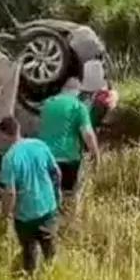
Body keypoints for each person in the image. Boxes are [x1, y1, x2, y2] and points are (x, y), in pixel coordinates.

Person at [0, 116, 61, 274]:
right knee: (49, 248)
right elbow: (56, 172)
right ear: (19, 128)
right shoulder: (40, 145)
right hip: (47, 206)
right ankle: (50, 277)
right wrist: (56, 193)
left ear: (4, 135)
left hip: (25, 215)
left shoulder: (9, 158)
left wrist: (5, 215)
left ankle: (31, 278)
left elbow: (10, 193)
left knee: (29, 250)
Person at [38, 76, 100, 218]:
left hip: (46, 157)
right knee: (70, 195)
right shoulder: (78, 106)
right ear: (77, 91)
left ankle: (50, 223)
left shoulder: (47, 105)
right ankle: (69, 225)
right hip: (68, 157)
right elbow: (88, 134)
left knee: (50, 194)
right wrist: (96, 154)